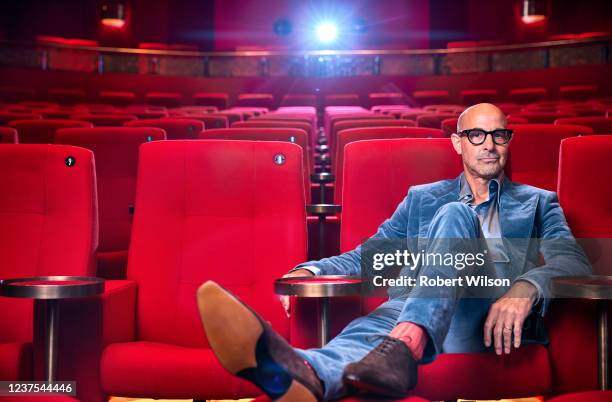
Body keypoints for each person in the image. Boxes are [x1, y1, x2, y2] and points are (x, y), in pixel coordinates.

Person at [196, 103, 591, 402]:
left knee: (456, 214)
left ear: (508, 141)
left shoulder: (538, 202)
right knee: (365, 334)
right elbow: (371, 257)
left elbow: (572, 259)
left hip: (487, 319)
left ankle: (403, 342)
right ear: (457, 142)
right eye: (476, 135)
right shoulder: (422, 198)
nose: (488, 145)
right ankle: (304, 373)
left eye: (499, 135)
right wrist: (312, 269)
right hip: (407, 313)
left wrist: (525, 287)